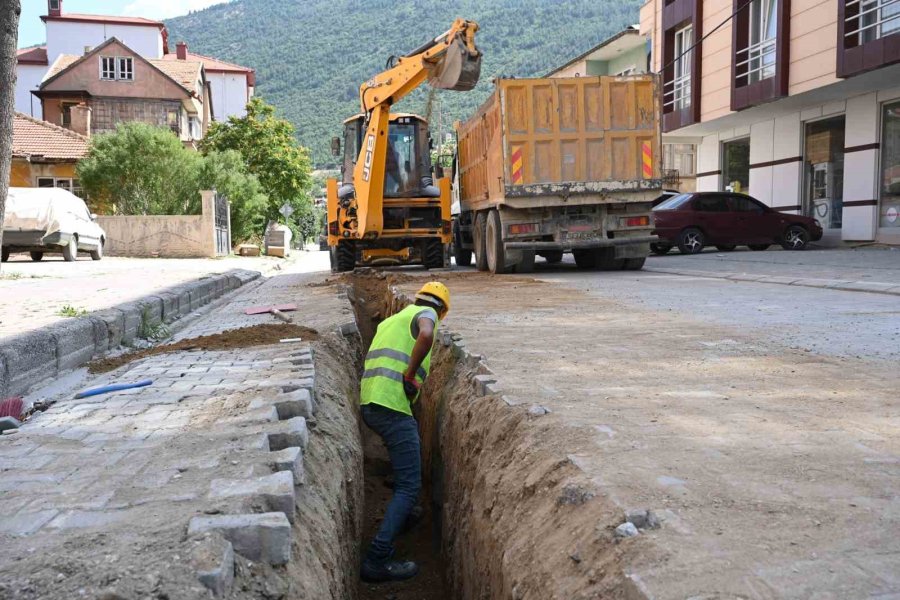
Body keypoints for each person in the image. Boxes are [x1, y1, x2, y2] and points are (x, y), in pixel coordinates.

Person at [359, 281, 451, 583]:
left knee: (406, 474)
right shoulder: (428, 314)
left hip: (372, 403)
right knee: (410, 486)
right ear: (441, 308)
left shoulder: (392, 320)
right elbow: (425, 333)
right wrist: (410, 375)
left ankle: (404, 517)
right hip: (391, 407)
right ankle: (377, 558)